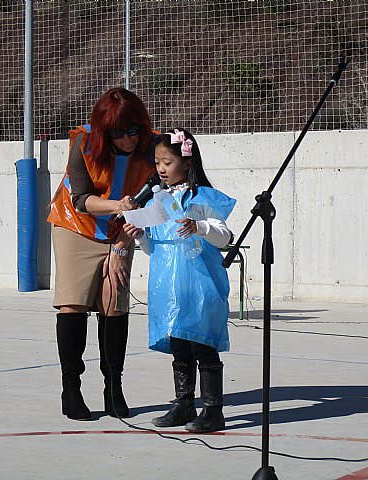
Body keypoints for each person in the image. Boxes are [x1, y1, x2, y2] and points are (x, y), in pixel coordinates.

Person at [47, 87, 157, 421]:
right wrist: (116, 206)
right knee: (74, 301)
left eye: (133, 131)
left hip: (123, 228)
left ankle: (114, 386)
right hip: (75, 224)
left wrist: (121, 248)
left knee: (114, 300)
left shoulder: (153, 147)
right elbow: (81, 198)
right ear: (104, 130)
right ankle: (71, 388)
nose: (127, 139)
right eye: (118, 133)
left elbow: (153, 200)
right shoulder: (84, 143)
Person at [123, 128, 236, 432]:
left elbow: (225, 236)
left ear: (187, 162)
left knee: (202, 344)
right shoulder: (156, 202)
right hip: (168, 286)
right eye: (157, 162)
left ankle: (213, 409)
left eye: (167, 162)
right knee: (180, 345)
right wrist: (141, 236)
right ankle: (183, 404)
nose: (160, 168)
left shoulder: (202, 198)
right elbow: (153, 248)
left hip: (199, 283)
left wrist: (199, 226)